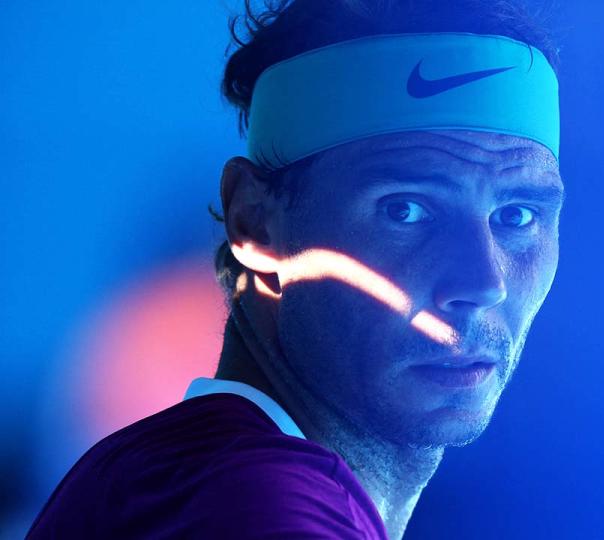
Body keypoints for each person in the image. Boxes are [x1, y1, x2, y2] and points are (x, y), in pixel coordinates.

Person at [27, 0, 564, 538]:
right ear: (254, 222)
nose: (483, 282)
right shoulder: (254, 507)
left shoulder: (185, 480)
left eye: (517, 215)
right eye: (405, 209)